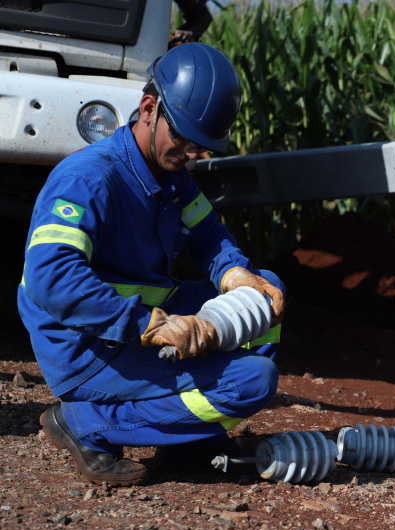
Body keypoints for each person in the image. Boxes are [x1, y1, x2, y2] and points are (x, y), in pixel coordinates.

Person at [18, 43, 285, 486]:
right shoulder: (89, 178)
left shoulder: (171, 177)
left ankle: (188, 443)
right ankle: (85, 422)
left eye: (201, 148)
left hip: (138, 324)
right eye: (182, 139)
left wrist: (233, 271)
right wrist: (148, 323)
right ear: (148, 108)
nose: (190, 154)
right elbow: (52, 276)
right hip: (89, 346)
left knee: (262, 289)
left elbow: (208, 235)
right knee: (253, 381)